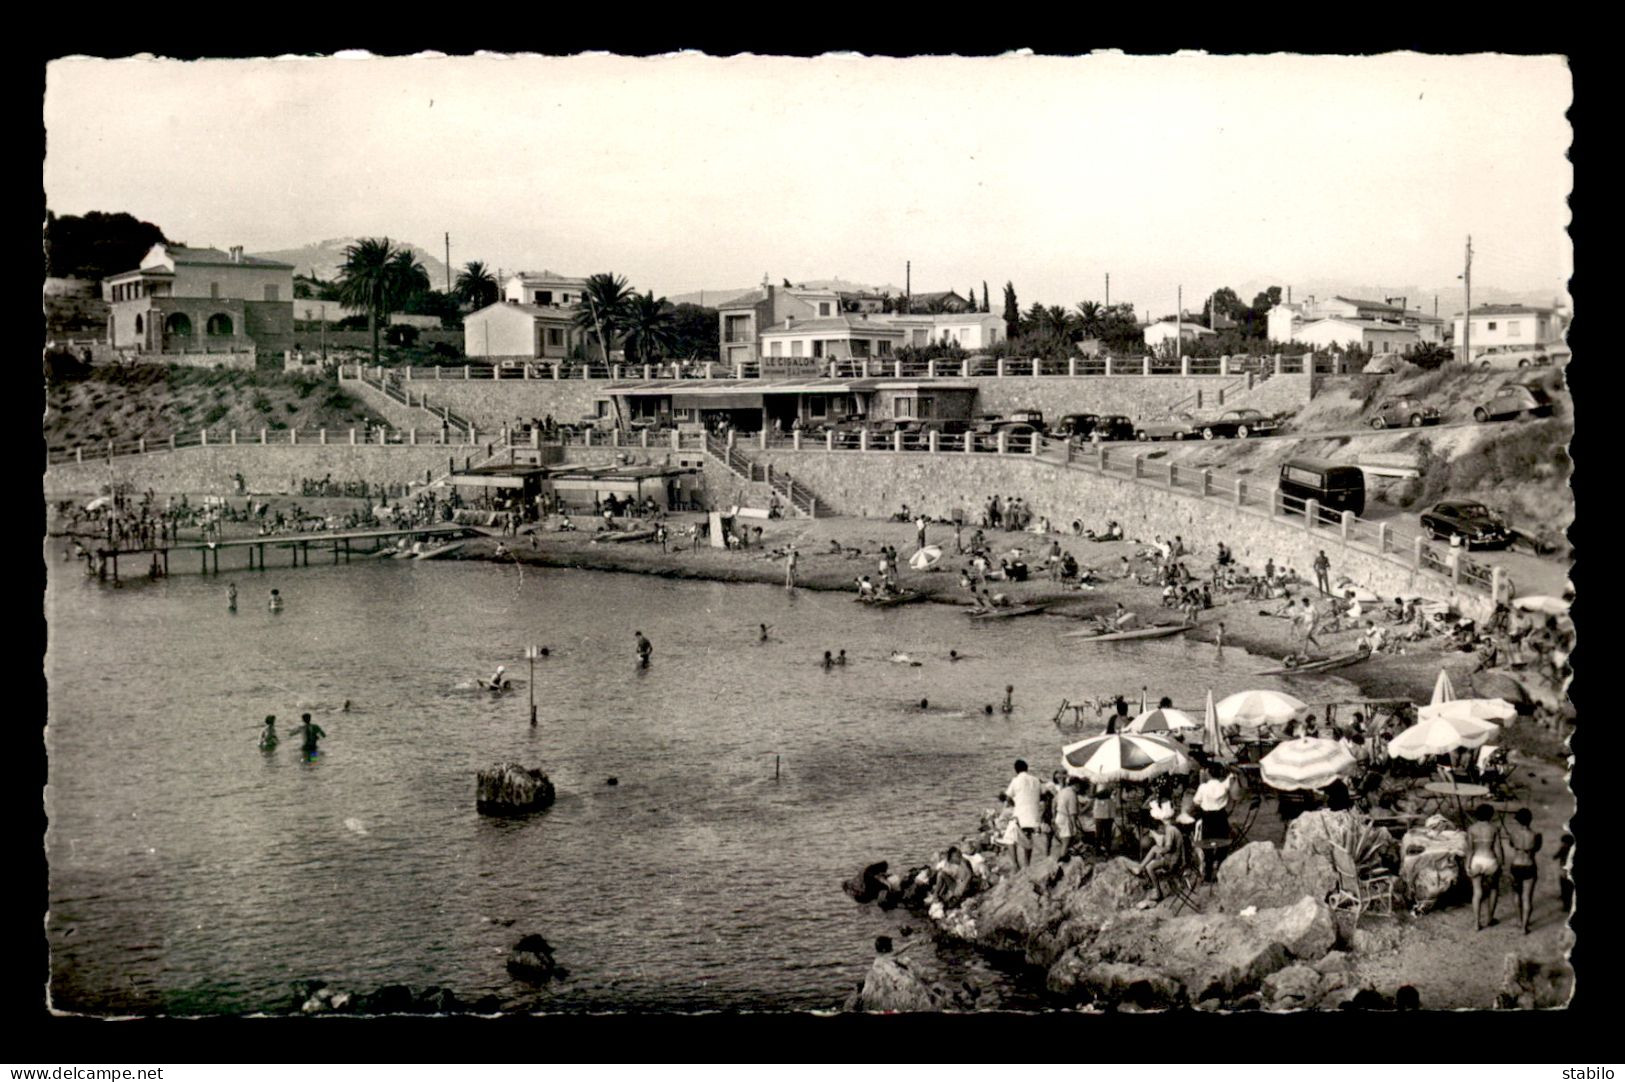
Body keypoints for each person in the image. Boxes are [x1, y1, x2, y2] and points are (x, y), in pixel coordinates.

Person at [1465, 803, 1505, 931]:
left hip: (1476, 860)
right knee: (1493, 888)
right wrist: (1500, 863)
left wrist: (1467, 865)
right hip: (1490, 860)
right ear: (1491, 815)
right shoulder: (1494, 828)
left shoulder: (1471, 829)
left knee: (1477, 892)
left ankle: (1476, 923)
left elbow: (1470, 850)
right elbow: (1498, 848)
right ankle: (1489, 919)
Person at [1505, 808, 1543, 935]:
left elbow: (1511, 845)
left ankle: (1519, 920)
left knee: (1517, 895)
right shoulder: (1536, 835)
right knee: (1527, 897)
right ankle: (1524, 927)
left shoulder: (1513, 834)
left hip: (1516, 865)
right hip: (1529, 865)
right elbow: (1536, 849)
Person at [1194, 763, 1233, 882]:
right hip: (1221, 816)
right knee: (1223, 842)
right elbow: (1230, 779)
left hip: (1208, 818)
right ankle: (1220, 867)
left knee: (1207, 845)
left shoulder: (1203, 787)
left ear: (1209, 773)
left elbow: (1196, 801)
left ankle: (1208, 873)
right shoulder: (1223, 786)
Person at [1004, 760, 1044, 870]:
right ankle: (1027, 863)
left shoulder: (1016, 780)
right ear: (1027, 768)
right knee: (1028, 837)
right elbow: (1042, 795)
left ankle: (1015, 864)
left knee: (1009, 837)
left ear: (1016, 770)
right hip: (1034, 815)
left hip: (1020, 815)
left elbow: (1007, 798)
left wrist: (1014, 803)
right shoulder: (1036, 780)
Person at [1053, 775, 1081, 857]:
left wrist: (1054, 816)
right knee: (1066, 843)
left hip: (1059, 816)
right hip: (1065, 818)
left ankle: (1061, 859)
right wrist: (1075, 827)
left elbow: (1054, 803)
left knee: (1064, 842)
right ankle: (1062, 862)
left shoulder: (1062, 791)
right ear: (1076, 785)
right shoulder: (1072, 794)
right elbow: (1072, 813)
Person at [1090, 785, 1118, 855]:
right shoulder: (1095, 780)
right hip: (1099, 809)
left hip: (1109, 809)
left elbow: (1114, 792)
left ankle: (1107, 849)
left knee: (1108, 832)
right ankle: (1097, 850)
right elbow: (1092, 795)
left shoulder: (1112, 780)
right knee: (1099, 832)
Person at [1554, 833, 1574, 913]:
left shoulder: (1563, 849)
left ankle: (1566, 905)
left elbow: (1555, 857)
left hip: (1564, 871)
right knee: (1570, 889)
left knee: (1565, 888)